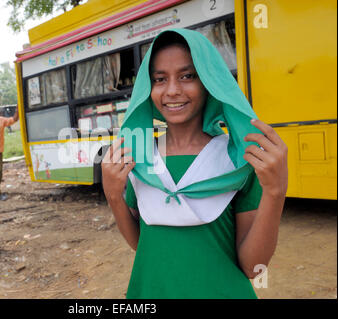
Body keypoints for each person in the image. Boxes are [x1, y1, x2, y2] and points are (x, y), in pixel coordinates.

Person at [101, 29, 288, 299]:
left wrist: (275, 192)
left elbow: (253, 267)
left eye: (188, 76)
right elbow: (141, 245)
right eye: (159, 79)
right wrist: (113, 196)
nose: (173, 90)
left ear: (209, 82)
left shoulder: (238, 160)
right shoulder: (139, 159)